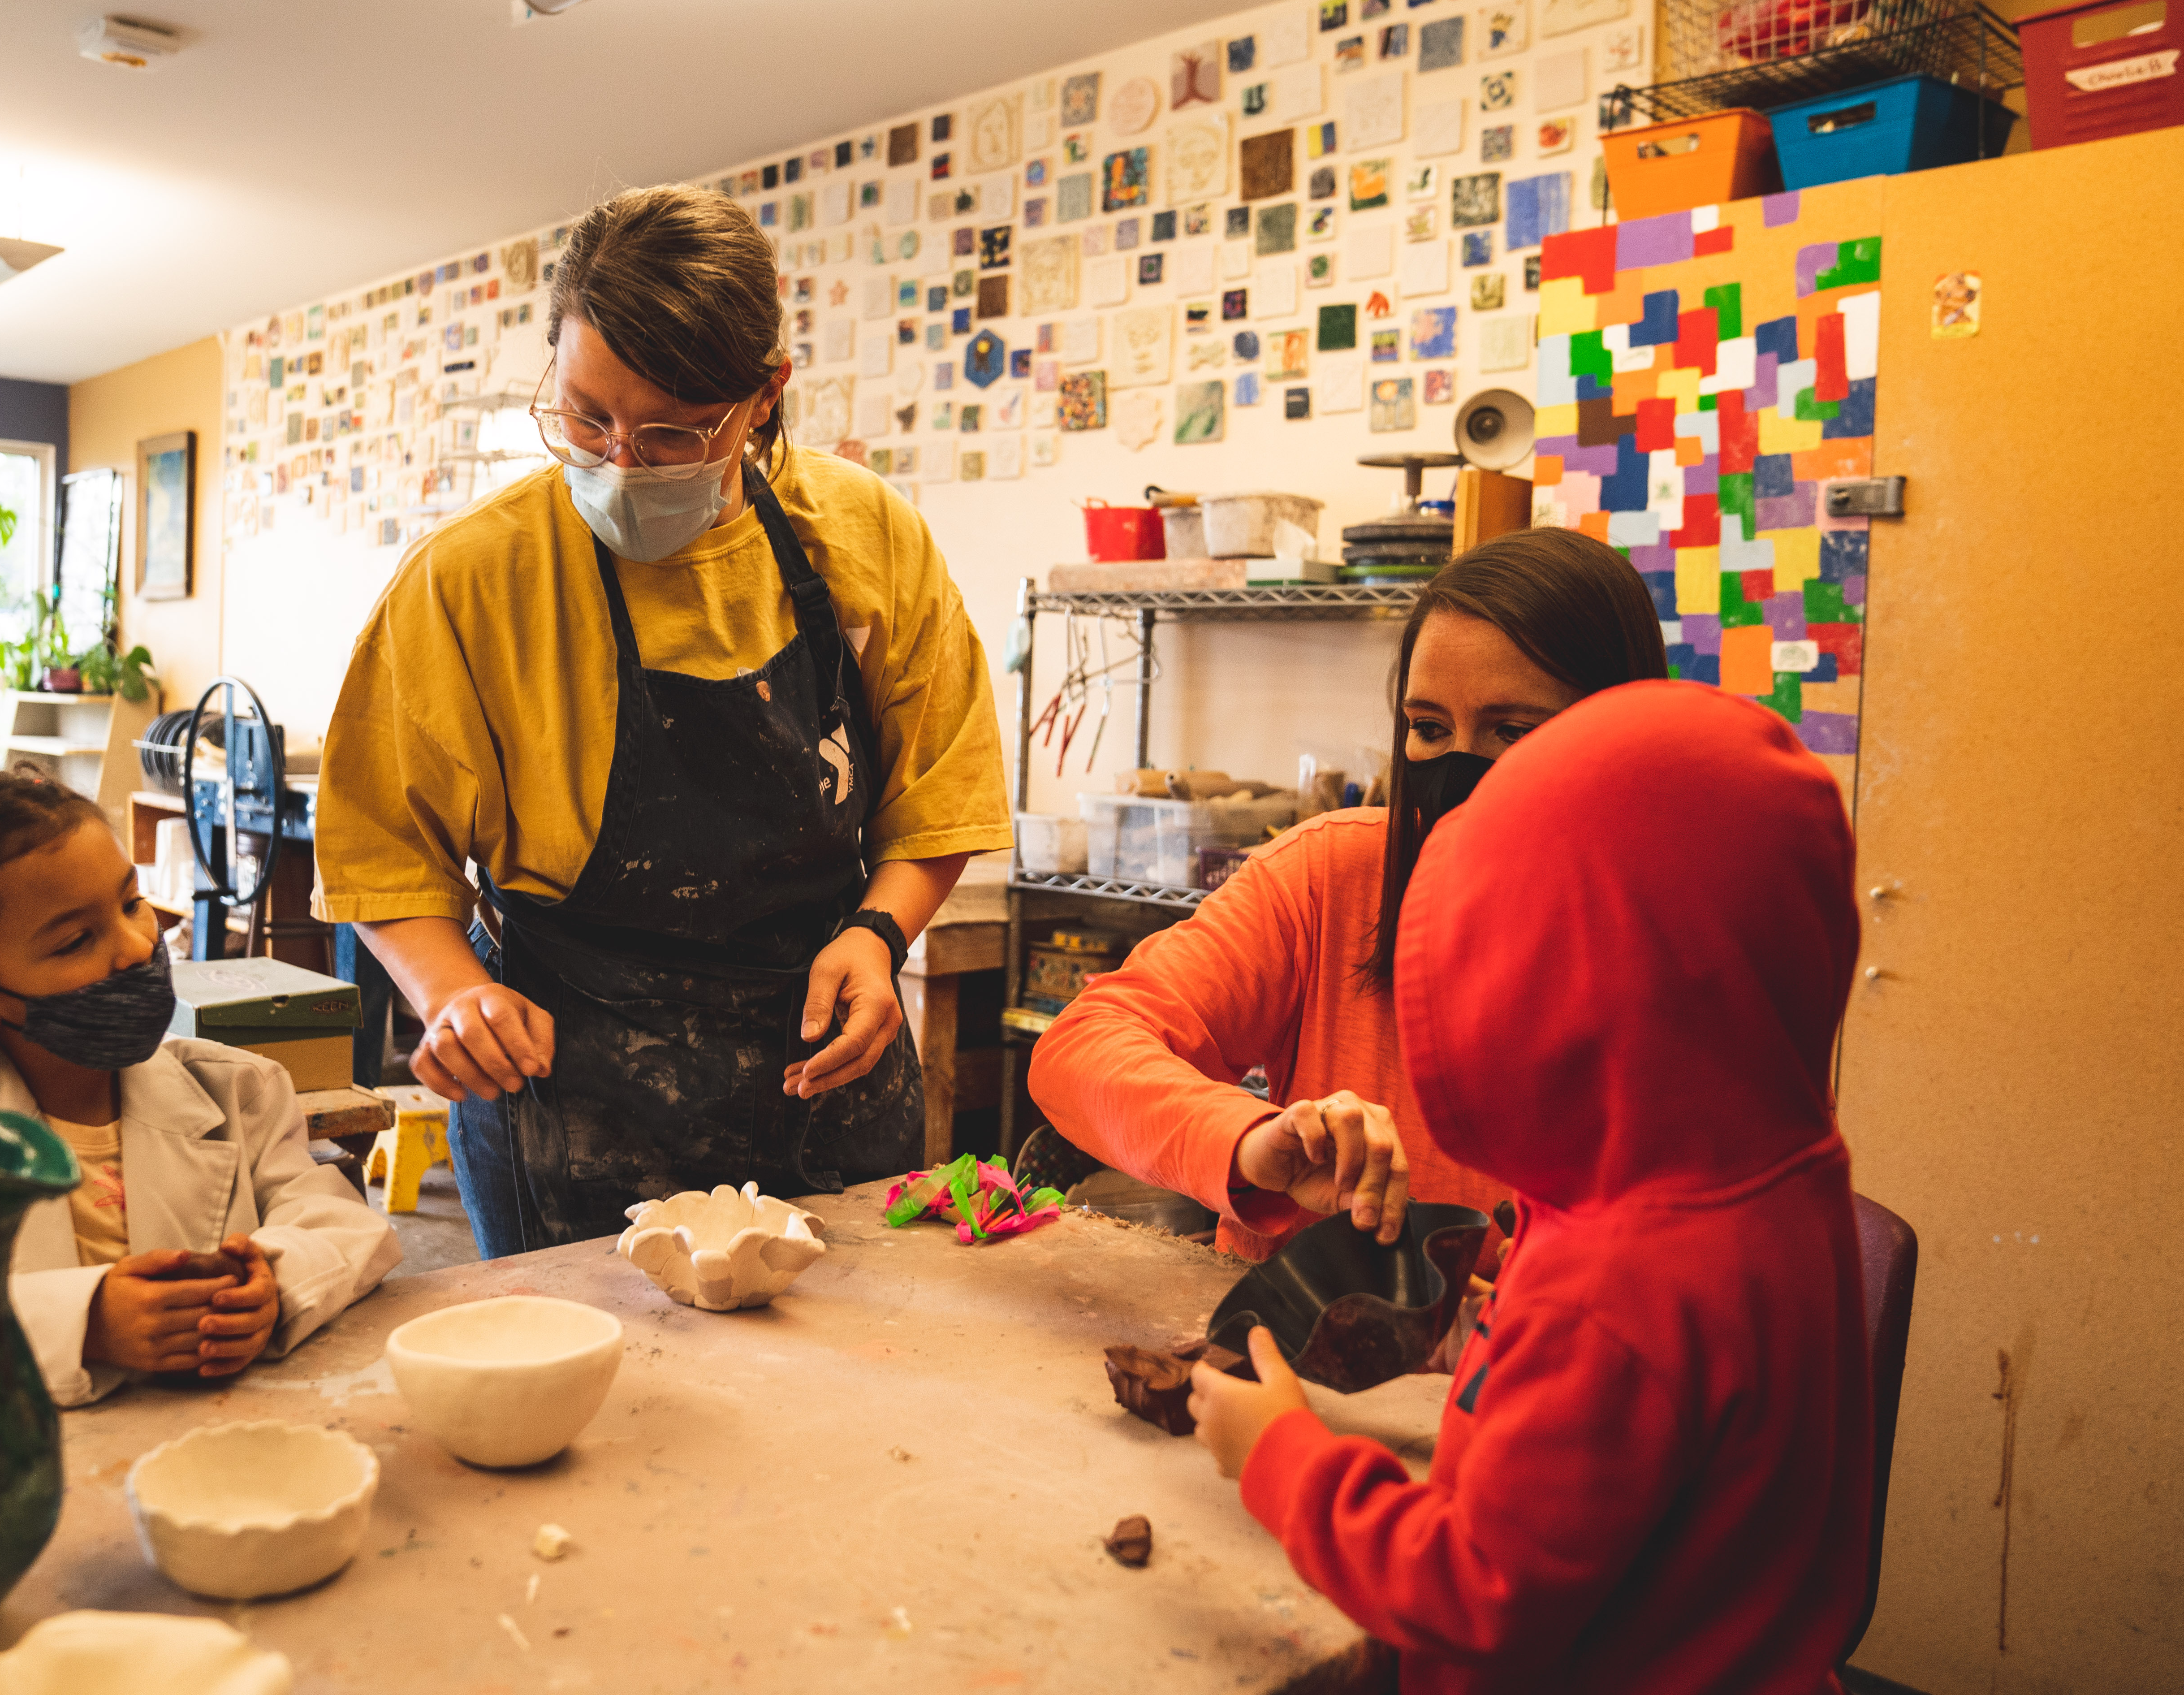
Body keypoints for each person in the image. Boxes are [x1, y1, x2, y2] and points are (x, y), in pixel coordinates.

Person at [314, 185, 1011, 1256]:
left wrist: (881, 935)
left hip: (826, 1055)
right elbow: (381, 848)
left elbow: (940, 794)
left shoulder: (865, 536)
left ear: (765, 397)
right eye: (587, 417)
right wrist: (453, 994)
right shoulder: (473, 578)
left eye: (675, 433)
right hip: (572, 1093)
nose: (620, 462)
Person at [1187, 680, 1872, 1694]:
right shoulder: (1781, 1175)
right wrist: (1495, 1327)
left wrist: (1284, 1461)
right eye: (1429, 725)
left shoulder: (1613, 1290)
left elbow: (1475, 1590)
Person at [1030, 528, 1667, 1262]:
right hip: (1280, 1364)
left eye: (1513, 730)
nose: (1460, 766)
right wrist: (1249, 1139)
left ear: (1619, 733)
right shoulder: (1333, 877)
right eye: (1428, 728)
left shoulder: (1676, 953)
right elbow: (1081, 1048)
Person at [0, 765, 401, 1407]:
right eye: (78, 939)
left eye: (132, 904)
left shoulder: (237, 1090)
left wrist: (272, 1282)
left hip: (219, 1449)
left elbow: (345, 1227)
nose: (136, 945)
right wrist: (85, 1323)